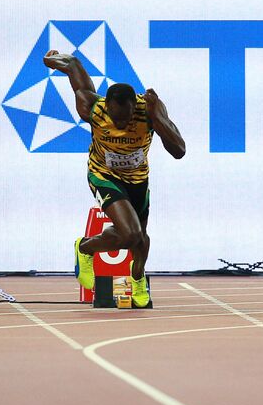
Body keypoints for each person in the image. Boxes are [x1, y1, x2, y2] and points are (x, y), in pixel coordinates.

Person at [42, 50, 186, 308]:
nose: (121, 124)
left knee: (140, 237)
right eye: (116, 118)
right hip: (103, 175)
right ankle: (85, 248)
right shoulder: (92, 108)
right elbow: (75, 69)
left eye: (126, 118)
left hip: (138, 179)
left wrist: (158, 119)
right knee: (130, 233)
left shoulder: (148, 110)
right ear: (106, 106)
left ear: (136, 107)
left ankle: (138, 278)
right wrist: (59, 60)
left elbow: (179, 151)